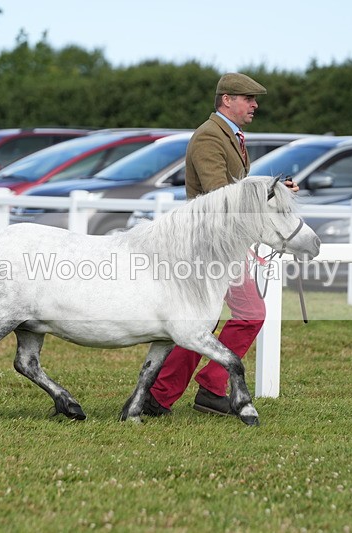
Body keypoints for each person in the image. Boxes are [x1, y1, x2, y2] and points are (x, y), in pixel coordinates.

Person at [143, 72, 297, 417]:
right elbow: (218, 196)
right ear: (227, 99)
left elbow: (236, 191)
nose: (254, 105)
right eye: (248, 98)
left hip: (222, 242)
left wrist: (275, 190)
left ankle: (164, 395)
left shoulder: (230, 136)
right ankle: (207, 388)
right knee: (249, 314)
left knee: (205, 324)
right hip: (209, 244)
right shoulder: (210, 137)